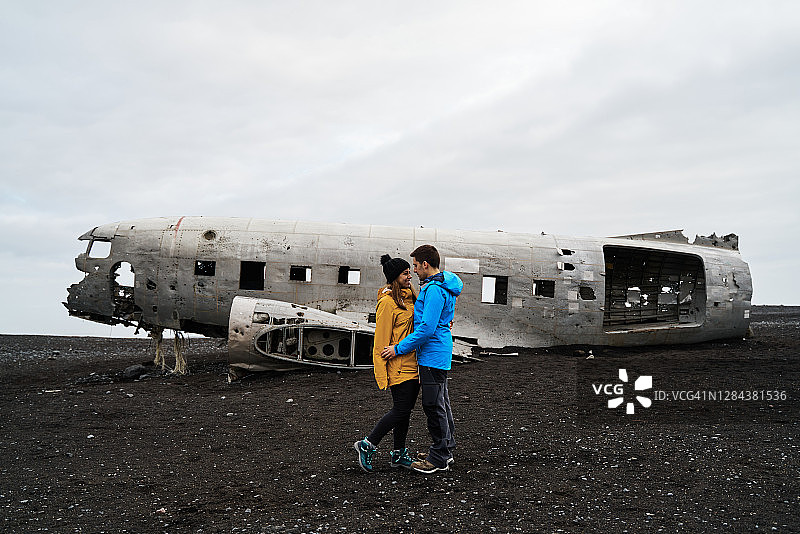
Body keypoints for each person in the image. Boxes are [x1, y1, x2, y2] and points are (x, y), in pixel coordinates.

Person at [381, 245, 463, 474]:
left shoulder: (435, 290)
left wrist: (397, 349)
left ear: (425, 264)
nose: (414, 271)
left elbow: (426, 329)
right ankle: (445, 449)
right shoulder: (437, 285)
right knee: (441, 404)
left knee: (433, 405)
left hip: (432, 355)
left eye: (415, 266)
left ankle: (438, 458)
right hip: (436, 353)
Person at [354, 254, 420, 472]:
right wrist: (381, 374)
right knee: (401, 410)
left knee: (405, 411)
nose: (409, 276)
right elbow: (380, 342)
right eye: (404, 273)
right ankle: (367, 444)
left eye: (410, 272)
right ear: (394, 277)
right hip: (398, 366)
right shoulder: (387, 303)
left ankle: (399, 454)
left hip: (413, 364)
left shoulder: (410, 298)